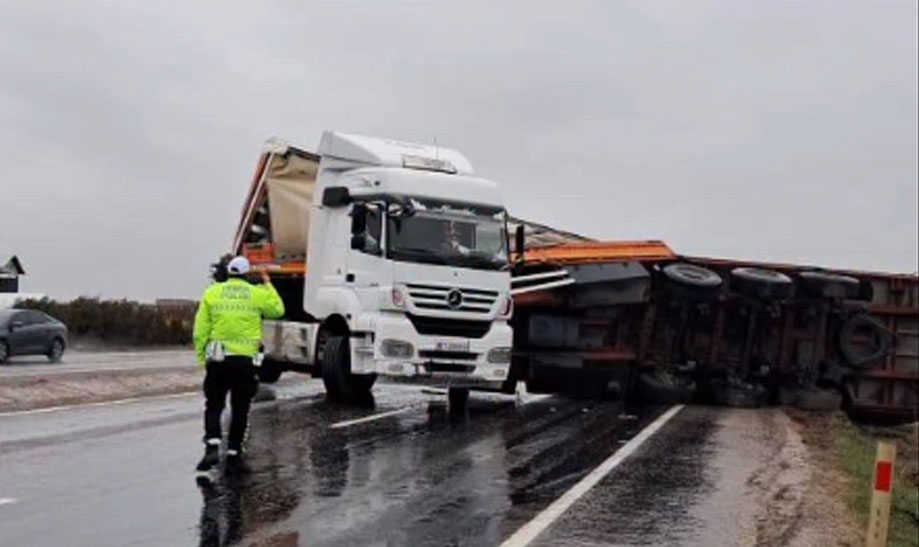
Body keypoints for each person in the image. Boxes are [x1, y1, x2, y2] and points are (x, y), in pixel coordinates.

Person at [193, 255, 285, 474]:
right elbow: (278, 310)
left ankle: (212, 444)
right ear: (246, 274)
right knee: (240, 407)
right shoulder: (256, 294)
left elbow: (200, 329)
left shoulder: (212, 292)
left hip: (218, 360)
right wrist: (267, 282)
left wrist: (201, 356)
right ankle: (234, 450)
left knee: (214, 404)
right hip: (245, 362)